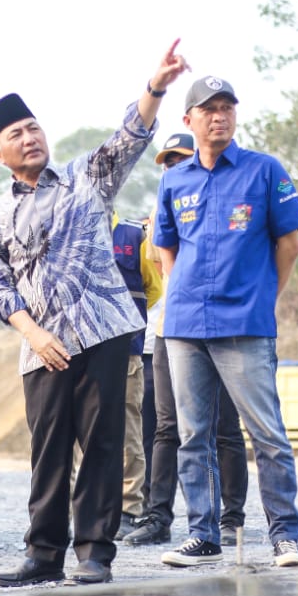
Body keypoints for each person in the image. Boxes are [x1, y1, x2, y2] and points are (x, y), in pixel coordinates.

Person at [0, 41, 189, 587]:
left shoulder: (84, 178)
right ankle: (43, 554)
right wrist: (34, 332)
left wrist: (156, 86)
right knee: (48, 451)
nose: (29, 139)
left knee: (102, 446)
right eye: (15, 136)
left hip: (103, 332)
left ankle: (94, 552)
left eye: (32, 128)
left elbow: (130, 138)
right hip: (41, 346)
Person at [153, 75, 298, 569]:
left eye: (227, 107)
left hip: (244, 323)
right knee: (193, 435)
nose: (219, 115)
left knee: (266, 433)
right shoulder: (175, 180)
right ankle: (203, 535)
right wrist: (182, 294)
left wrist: (264, 298)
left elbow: (290, 244)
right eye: (208, 108)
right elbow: (165, 246)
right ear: (189, 120)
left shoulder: (264, 172)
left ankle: (285, 536)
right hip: (184, 328)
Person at [124, 132, 249, 549]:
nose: (171, 168)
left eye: (179, 160)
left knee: (226, 428)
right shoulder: (152, 223)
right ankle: (158, 517)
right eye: (165, 163)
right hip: (167, 330)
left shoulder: (220, 210)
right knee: (166, 428)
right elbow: (151, 269)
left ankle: (232, 519)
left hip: (223, 326)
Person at [111, 212, 162, 538]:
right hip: (83, 351)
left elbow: (153, 290)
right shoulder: (73, 228)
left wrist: (128, 321)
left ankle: (129, 508)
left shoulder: (133, 235)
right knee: (82, 437)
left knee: (130, 430)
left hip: (127, 349)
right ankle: (87, 506)